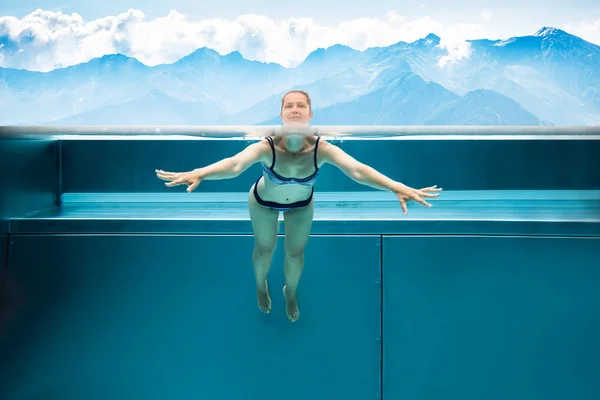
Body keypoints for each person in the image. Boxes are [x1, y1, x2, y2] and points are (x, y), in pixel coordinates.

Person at [156, 90, 442, 323]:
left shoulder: (321, 148)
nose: (295, 110)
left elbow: (357, 170)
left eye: (301, 106)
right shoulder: (267, 146)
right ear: (281, 114)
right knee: (265, 249)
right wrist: (200, 172)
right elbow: (235, 164)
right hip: (262, 202)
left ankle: (290, 291)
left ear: (310, 114)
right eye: (289, 106)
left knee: (295, 254)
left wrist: (396, 186)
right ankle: (260, 285)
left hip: (302, 205)